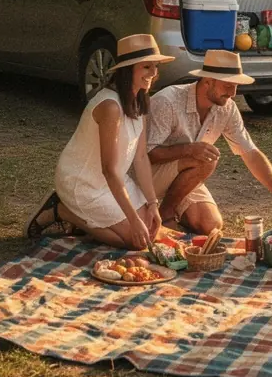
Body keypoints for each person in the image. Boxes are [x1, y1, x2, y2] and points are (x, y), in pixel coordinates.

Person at [27, 34, 170, 249]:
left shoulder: (140, 100)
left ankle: (88, 221)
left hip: (113, 182)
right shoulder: (110, 107)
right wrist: (133, 219)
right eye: (146, 67)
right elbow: (108, 169)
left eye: (155, 67)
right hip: (85, 182)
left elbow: (140, 158)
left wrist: (152, 204)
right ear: (127, 70)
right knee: (136, 241)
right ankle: (61, 210)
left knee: (151, 231)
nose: (153, 74)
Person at [143, 49, 272, 235]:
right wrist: (188, 150)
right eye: (228, 85)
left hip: (181, 177)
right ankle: (166, 212)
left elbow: (250, 153)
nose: (233, 92)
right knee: (207, 158)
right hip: (148, 177)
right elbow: (147, 154)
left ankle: (172, 209)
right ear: (207, 81)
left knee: (212, 225)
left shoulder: (227, 107)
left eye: (236, 85)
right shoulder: (168, 101)